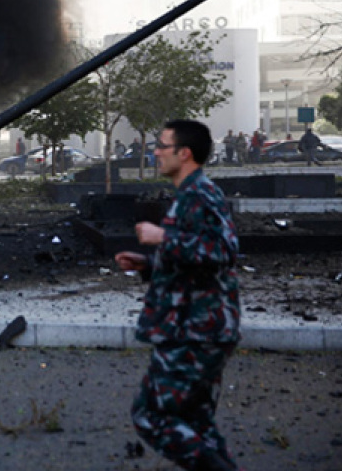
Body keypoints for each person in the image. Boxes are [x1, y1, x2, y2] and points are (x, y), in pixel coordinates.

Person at [114, 120, 241, 471]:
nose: (155, 151)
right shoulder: (189, 195)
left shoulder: (200, 194)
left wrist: (161, 238)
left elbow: (224, 251)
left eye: (162, 145)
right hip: (198, 327)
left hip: (196, 331)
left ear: (184, 153)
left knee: (151, 416)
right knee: (197, 424)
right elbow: (195, 262)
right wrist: (148, 265)